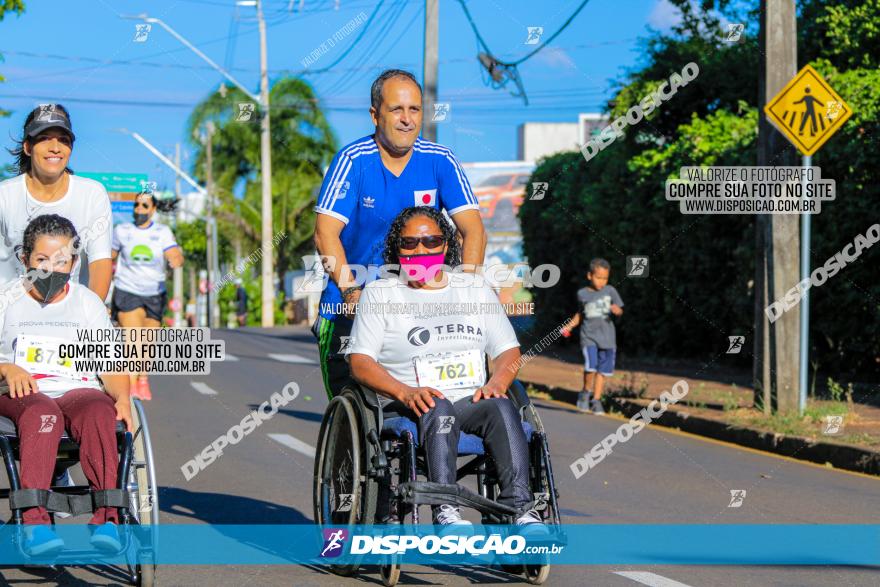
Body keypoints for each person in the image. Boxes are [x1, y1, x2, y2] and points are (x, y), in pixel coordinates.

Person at [347, 207, 543, 529]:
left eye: (430, 241)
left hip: (470, 401)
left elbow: (509, 351)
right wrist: (405, 391)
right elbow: (360, 362)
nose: (420, 249)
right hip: (411, 403)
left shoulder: (473, 290)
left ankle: (520, 510)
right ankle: (445, 512)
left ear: (446, 245)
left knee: (502, 406)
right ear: (397, 249)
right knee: (437, 406)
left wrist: (499, 381)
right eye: (409, 243)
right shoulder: (381, 293)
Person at [313, 69, 486, 400]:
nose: (407, 119)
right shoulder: (352, 161)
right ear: (375, 115)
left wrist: (467, 286)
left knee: (439, 401)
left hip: (421, 305)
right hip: (353, 304)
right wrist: (351, 293)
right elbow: (325, 234)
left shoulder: (440, 161)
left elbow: (473, 229)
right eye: (396, 110)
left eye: (415, 110)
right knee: (355, 407)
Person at [0, 215, 132, 555]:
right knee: (43, 413)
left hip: (77, 387)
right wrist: (6, 368)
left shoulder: (87, 302)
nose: (50, 269)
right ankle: (34, 523)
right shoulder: (7, 301)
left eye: (61, 261)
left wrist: (123, 397)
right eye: (41, 259)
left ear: (73, 262)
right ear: (25, 258)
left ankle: (107, 518)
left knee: (100, 411)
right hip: (21, 392)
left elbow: (110, 363)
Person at [1, 104, 113, 305]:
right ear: (28, 147)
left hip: (72, 316)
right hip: (10, 316)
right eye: (44, 138)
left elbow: (101, 262)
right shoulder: (5, 195)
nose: (55, 147)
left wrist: (92, 314)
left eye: (63, 140)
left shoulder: (92, 194)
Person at [111, 190, 183, 400]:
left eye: (144, 206)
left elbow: (174, 254)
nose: (139, 210)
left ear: (153, 209)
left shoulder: (162, 232)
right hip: (127, 290)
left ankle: (142, 378)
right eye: (136, 205)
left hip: (155, 293)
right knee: (134, 339)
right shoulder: (122, 230)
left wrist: (176, 259)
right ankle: (131, 384)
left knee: (148, 342)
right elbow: (110, 257)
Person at [560, 258, 624, 414]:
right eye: (598, 277)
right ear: (590, 275)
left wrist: (617, 310)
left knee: (602, 371)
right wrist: (568, 326)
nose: (602, 281)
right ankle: (585, 393)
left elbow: (620, 310)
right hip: (589, 337)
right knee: (591, 366)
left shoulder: (610, 291)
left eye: (605, 278)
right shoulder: (582, 294)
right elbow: (580, 315)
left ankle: (596, 400)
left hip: (608, 339)